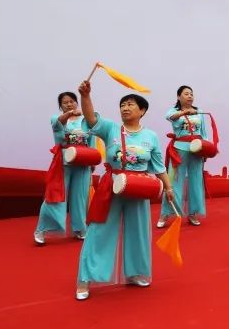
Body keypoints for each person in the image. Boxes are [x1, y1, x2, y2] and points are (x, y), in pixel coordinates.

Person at [74, 81, 174, 301]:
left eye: (130, 104)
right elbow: (91, 119)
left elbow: (158, 166)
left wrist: (168, 187)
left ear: (142, 111)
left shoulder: (151, 136)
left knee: (139, 232)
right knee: (99, 231)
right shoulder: (110, 128)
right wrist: (86, 96)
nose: (125, 108)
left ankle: (135, 273)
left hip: (139, 187)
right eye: (122, 105)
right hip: (112, 186)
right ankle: (85, 278)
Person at [34, 91, 94, 244]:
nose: (69, 104)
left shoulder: (85, 120)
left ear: (77, 102)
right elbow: (59, 123)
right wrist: (70, 114)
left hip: (83, 162)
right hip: (63, 163)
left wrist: (92, 161)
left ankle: (80, 229)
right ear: (60, 106)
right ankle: (41, 230)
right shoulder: (57, 118)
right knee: (55, 195)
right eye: (65, 102)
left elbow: (91, 141)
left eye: (72, 101)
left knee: (80, 197)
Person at [158, 85, 209, 228]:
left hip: (196, 149)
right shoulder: (173, 111)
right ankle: (166, 213)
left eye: (191, 94)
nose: (190, 96)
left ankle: (192, 213)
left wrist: (205, 149)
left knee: (196, 181)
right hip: (179, 149)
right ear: (178, 97)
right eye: (186, 94)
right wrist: (185, 112)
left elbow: (203, 133)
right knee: (174, 181)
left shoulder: (199, 112)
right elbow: (169, 117)